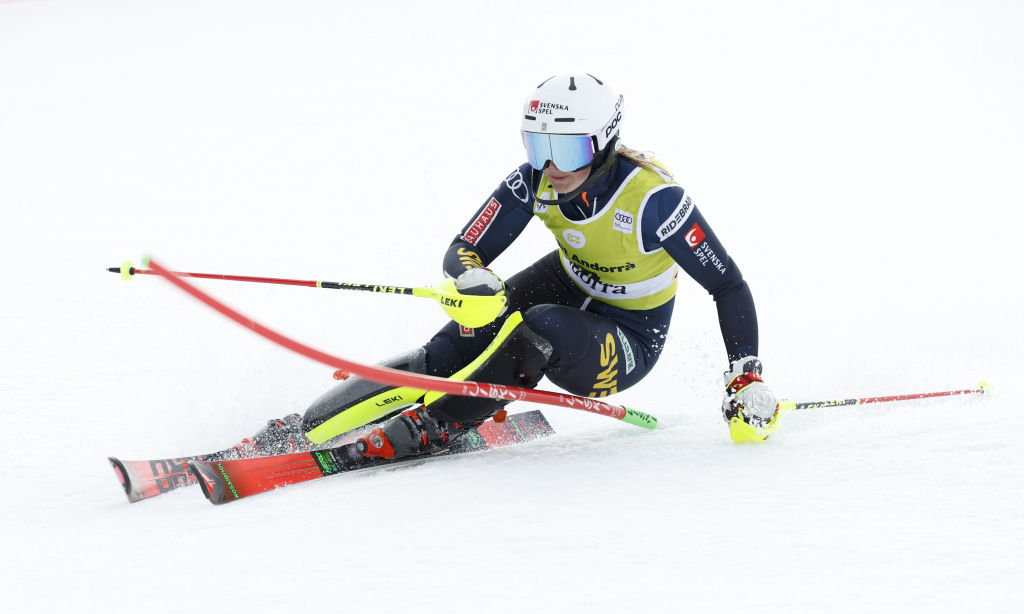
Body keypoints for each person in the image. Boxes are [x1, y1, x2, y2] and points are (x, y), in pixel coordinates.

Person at [225, 72, 781, 462]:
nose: (550, 168)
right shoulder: (533, 179)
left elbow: (728, 284)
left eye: (567, 153)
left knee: (537, 325)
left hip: (628, 334)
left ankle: (431, 427)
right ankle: (302, 428)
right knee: (454, 343)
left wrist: (746, 374)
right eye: (538, 146)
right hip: (570, 281)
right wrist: (473, 278)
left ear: (604, 143)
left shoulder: (655, 202)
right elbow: (465, 246)